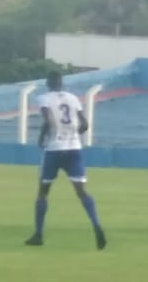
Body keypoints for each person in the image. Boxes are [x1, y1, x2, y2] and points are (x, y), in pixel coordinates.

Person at [25, 71, 106, 250]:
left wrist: (42, 136)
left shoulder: (44, 99)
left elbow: (48, 119)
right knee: (82, 191)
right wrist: (72, 134)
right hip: (74, 149)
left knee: (43, 192)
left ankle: (38, 234)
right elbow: (84, 124)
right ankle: (96, 225)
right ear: (62, 83)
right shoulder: (73, 98)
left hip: (54, 149)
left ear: (48, 83)